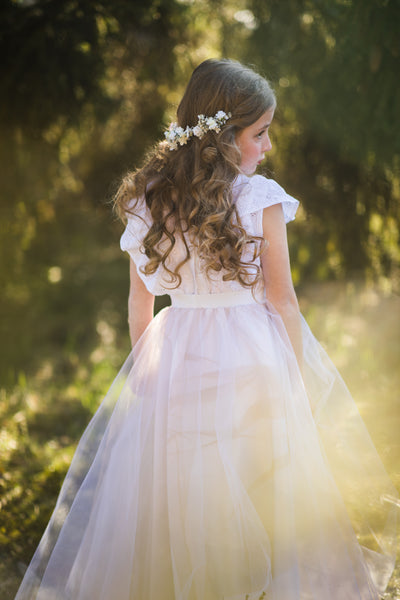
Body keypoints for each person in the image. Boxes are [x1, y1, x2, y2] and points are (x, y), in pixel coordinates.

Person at [16, 58, 398, 600]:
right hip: (254, 357)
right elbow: (283, 301)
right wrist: (298, 375)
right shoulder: (258, 198)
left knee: (194, 496)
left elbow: (137, 307)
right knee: (267, 488)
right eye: (260, 134)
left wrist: (148, 380)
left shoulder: (144, 198)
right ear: (222, 137)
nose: (267, 148)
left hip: (180, 357)